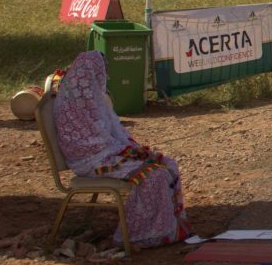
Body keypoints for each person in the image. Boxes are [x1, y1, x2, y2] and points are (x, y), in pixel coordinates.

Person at [53, 51, 192, 248]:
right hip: (91, 161)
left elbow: (111, 132)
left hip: (107, 153)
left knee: (167, 164)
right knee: (154, 175)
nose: (103, 76)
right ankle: (141, 234)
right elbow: (84, 145)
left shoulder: (92, 97)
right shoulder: (72, 104)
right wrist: (124, 152)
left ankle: (168, 227)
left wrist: (131, 150)